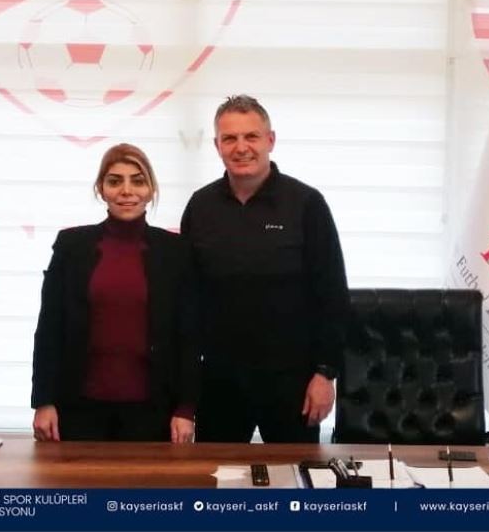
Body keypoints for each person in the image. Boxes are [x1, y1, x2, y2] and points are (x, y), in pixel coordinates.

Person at [180, 95, 349, 443]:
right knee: (217, 475)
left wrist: (326, 374)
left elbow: (332, 294)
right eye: (230, 138)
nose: (241, 147)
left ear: (270, 140)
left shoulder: (306, 204)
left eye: (251, 136)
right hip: (220, 381)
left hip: (294, 381)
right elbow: (186, 298)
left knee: (297, 474)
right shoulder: (200, 206)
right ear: (217, 145)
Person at [32, 143, 198, 443]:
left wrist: (186, 408)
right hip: (79, 407)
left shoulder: (175, 251)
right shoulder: (71, 246)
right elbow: (49, 329)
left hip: (153, 410)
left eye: (138, 181)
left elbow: (188, 335)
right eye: (115, 181)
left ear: (151, 190)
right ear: (101, 189)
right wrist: (43, 401)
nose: (126, 190)